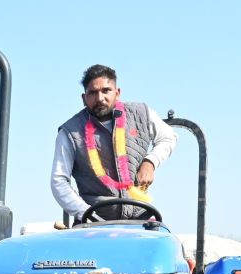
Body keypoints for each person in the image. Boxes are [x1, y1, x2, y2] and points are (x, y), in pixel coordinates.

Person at [52, 64, 177, 222]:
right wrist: (85, 213)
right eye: (93, 93)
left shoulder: (141, 113)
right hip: (93, 224)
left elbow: (169, 137)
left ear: (117, 93)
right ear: (84, 98)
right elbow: (59, 181)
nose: (100, 98)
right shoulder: (70, 132)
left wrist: (150, 162)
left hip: (141, 219)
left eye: (106, 90)